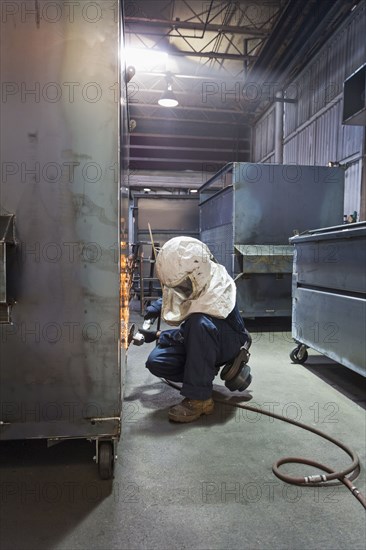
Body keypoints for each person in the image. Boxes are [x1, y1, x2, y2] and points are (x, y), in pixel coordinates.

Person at [140, 236, 251, 423]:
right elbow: (179, 292)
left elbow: (196, 329)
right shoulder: (194, 277)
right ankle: (202, 373)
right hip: (202, 339)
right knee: (157, 361)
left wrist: (160, 335)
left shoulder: (215, 289)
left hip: (227, 340)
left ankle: (200, 400)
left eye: (183, 285)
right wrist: (157, 307)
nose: (181, 289)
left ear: (198, 273)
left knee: (197, 324)